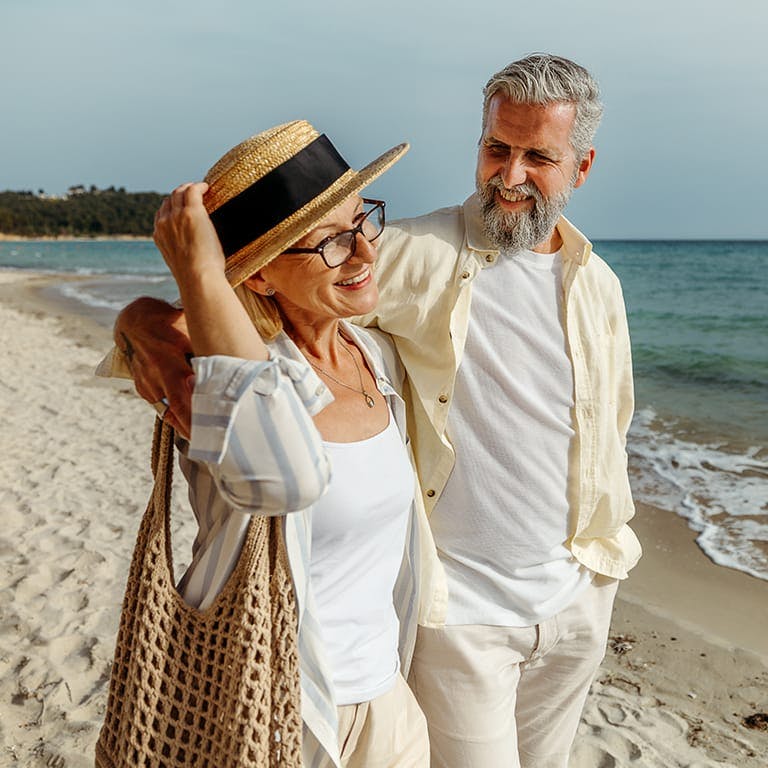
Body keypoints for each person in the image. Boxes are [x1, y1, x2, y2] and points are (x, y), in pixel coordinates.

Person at [107, 54, 641, 768]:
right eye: (496, 148)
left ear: (582, 167)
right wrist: (141, 320)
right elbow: (248, 301)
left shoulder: (597, 282)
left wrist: (598, 571)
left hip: (576, 600)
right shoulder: (416, 253)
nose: (509, 176)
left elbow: (609, 429)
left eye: (538, 156)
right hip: (460, 617)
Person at [104, 121, 430, 768]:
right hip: (268, 705)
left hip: (387, 699)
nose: (365, 253)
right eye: (330, 243)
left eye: (363, 221)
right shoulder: (216, 384)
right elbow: (283, 480)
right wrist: (197, 275)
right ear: (258, 278)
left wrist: (136, 316)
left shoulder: (376, 355)